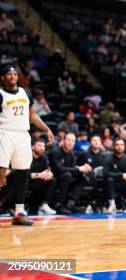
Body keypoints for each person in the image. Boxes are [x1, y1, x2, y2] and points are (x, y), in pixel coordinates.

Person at [0, 65, 54, 225]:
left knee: (23, 172)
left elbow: (32, 115)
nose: (12, 76)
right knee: (1, 173)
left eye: (14, 73)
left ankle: (19, 213)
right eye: (8, 74)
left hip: (23, 135)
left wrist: (46, 128)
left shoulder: (26, 93)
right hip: (4, 133)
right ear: (3, 77)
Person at [48, 132, 92, 214]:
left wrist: (83, 169)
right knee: (67, 175)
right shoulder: (55, 152)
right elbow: (59, 169)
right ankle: (59, 204)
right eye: (68, 140)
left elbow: (72, 169)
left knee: (83, 177)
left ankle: (70, 203)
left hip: (65, 178)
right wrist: (78, 169)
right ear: (63, 140)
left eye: (73, 141)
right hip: (53, 178)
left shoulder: (71, 154)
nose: (70, 142)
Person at [28, 140, 57, 215]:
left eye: (43, 146)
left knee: (52, 180)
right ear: (32, 147)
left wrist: (49, 174)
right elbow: (24, 174)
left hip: (37, 181)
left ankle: (44, 205)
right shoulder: (26, 157)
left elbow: (48, 171)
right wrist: (40, 175)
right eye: (39, 145)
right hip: (26, 182)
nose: (42, 148)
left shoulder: (44, 157)